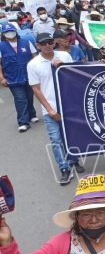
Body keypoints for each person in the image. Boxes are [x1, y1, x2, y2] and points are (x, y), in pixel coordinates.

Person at [27, 33, 83, 184]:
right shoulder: (33, 64)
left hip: (69, 106)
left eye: (50, 42)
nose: (47, 45)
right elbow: (36, 89)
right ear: (38, 45)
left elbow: (75, 75)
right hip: (50, 109)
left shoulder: (64, 56)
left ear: (54, 42)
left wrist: (63, 67)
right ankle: (64, 168)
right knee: (56, 139)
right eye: (43, 43)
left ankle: (74, 160)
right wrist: (50, 110)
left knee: (71, 136)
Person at [0, 23, 38, 132]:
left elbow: (34, 56)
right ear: (3, 34)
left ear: (16, 31)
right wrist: (2, 78)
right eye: (7, 32)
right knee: (20, 99)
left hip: (28, 75)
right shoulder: (1, 46)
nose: (10, 33)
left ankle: (32, 114)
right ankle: (23, 122)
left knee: (29, 96)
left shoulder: (25, 42)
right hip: (12, 77)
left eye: (11, 31)